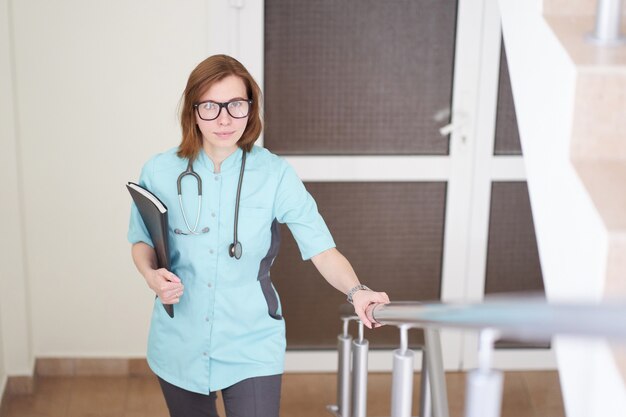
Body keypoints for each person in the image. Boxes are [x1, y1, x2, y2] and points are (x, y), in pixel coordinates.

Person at [128, 54, 390, 417]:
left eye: (236, 104)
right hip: (178, 340)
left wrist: (357, 291)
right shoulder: (159, 170)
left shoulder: (275, 174)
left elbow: (321, 247)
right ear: (192, 110)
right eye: (210, 106)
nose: (224, 118)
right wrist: (150, 276)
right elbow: (141, 240)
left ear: (250, 109)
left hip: (251, 340)